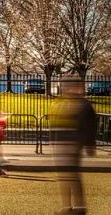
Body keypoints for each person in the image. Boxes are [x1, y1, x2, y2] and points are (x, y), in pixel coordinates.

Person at [51, 78, 97, 215]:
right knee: (66, 176)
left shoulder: (82, 104)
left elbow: (90, 126)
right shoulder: (80, 104)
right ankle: (70, 207)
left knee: (70, 175)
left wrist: (89, 143)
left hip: (72, 144)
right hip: (65, 143)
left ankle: (76, 207)